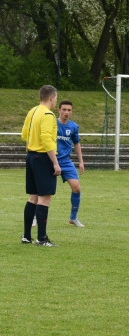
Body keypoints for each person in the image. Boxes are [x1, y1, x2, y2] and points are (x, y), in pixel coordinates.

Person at [22, 85, 61, 247]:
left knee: (33, 197)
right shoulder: (47, 114)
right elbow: (46, 139)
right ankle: (42, 238)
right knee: (45, 198)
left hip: (31, 156)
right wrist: (55, 162)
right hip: (43, 158)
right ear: (52, 98)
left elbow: (24, 134)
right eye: (56, 98)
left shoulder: (32, 111)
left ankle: (26, 236)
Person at [57, 100, 86, 226]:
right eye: (64, 109)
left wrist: (81, 161)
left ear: (72, 112)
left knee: (77, 187)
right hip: (51, 160)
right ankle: (36, 217)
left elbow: (77, 143)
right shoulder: (52, 124)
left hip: (66, 161)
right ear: (59, 110)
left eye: (69, 110)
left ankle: (73, 218)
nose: (66, 112)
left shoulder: (73, 126)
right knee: (43, 191)